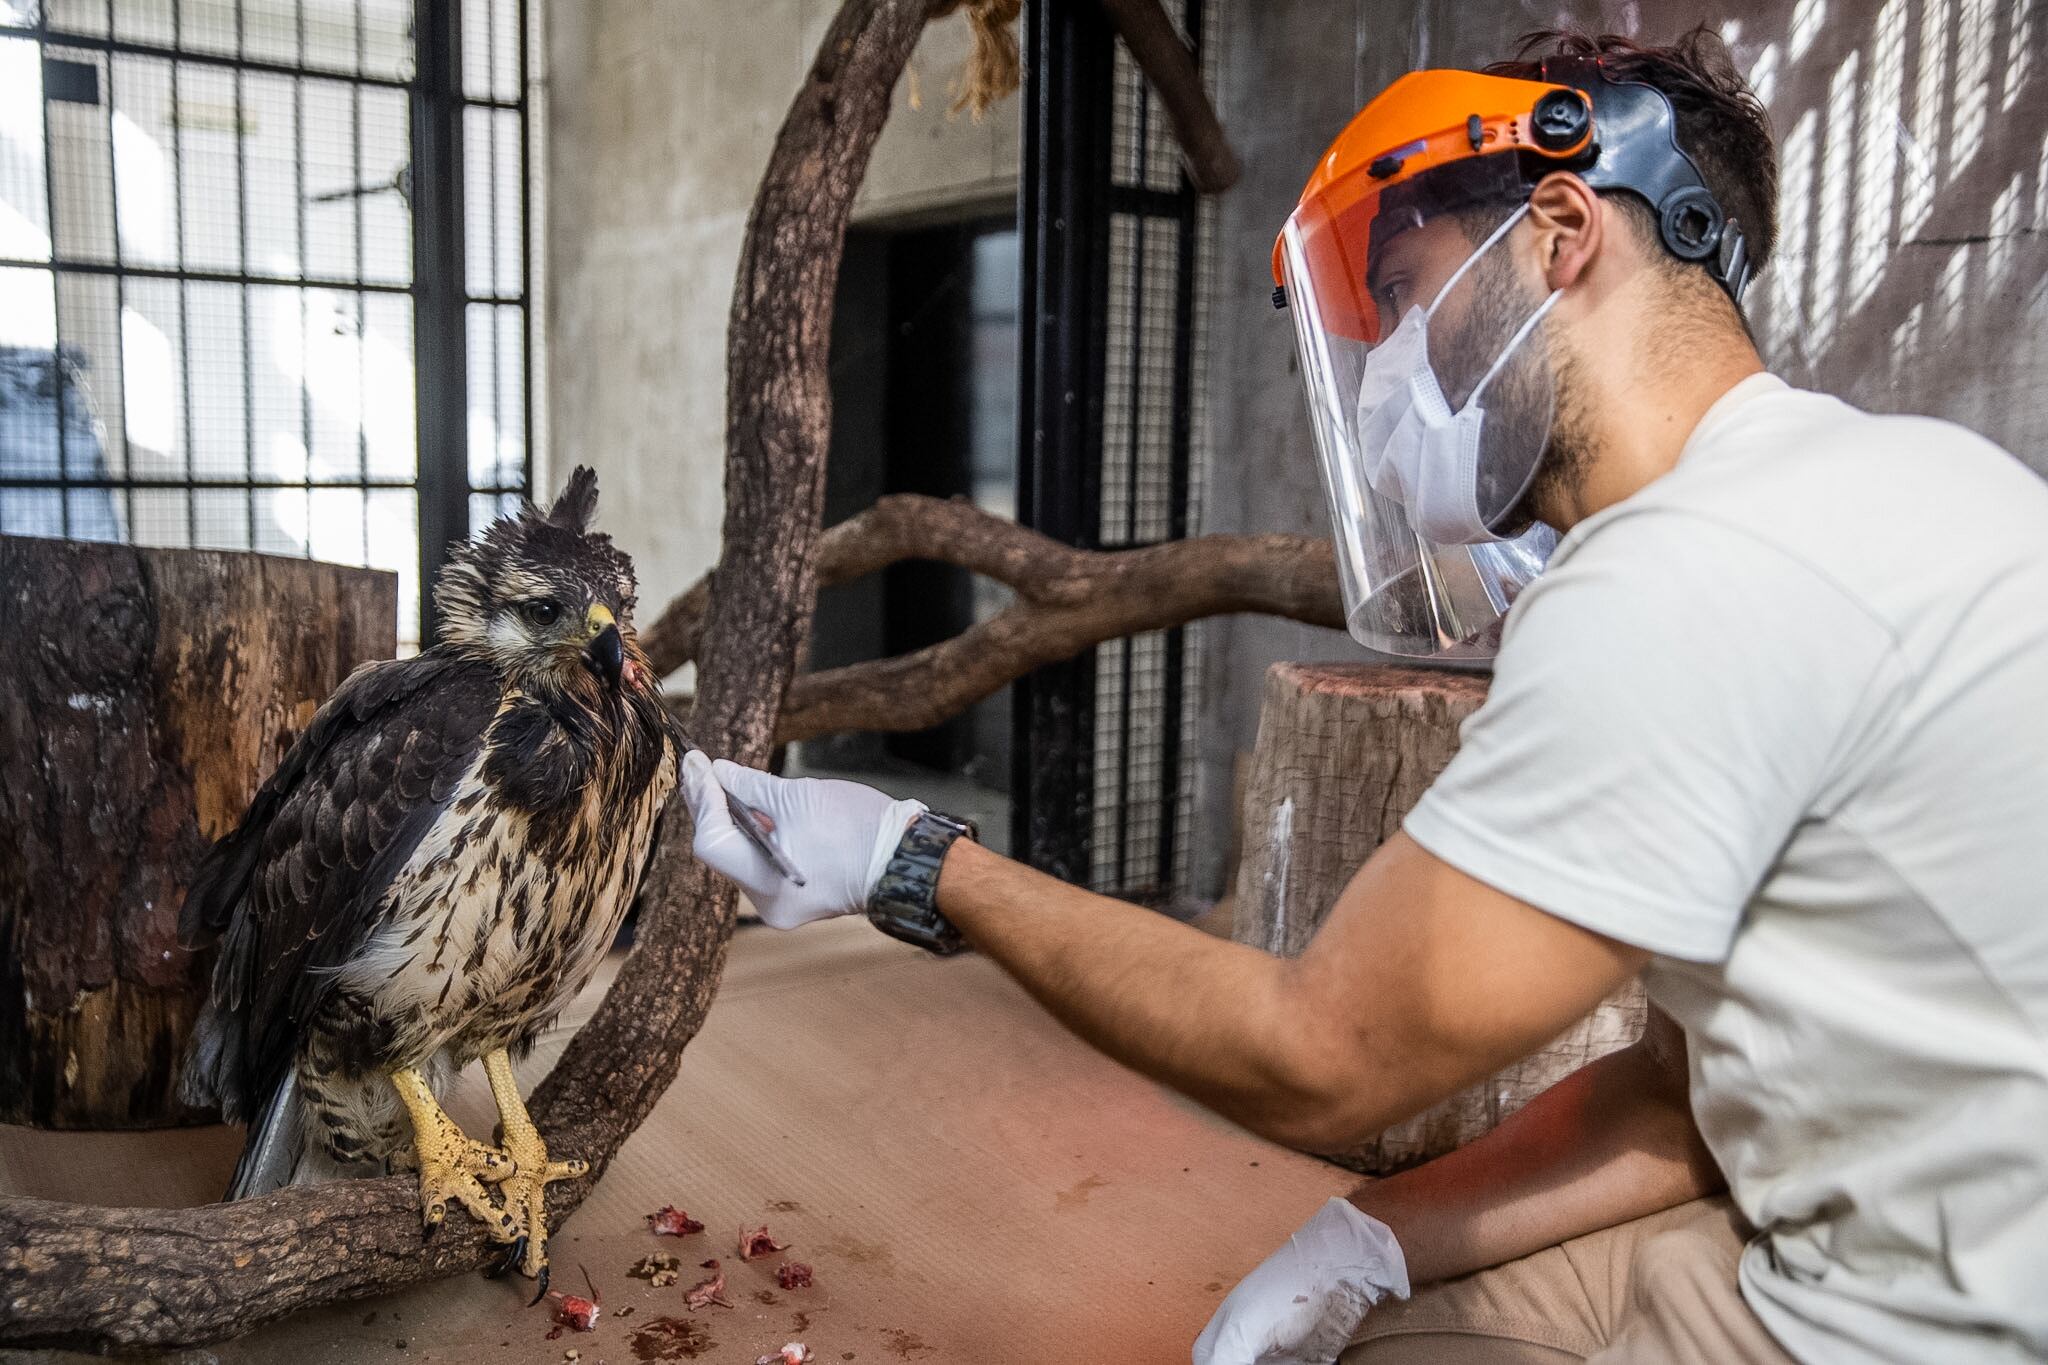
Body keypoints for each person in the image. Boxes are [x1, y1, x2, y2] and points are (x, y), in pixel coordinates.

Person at [679, 27, 2048, 1365]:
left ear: (1563, 229)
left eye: (1402, 291)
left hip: (1911, 1322)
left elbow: (1321, 1052)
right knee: (1393, 1316)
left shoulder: (1685, 576)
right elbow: (1681, 1093)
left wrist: (910, 858)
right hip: (1901, 1233)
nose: (1387, 361)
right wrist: (1370, 1235)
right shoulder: (1909, 475)